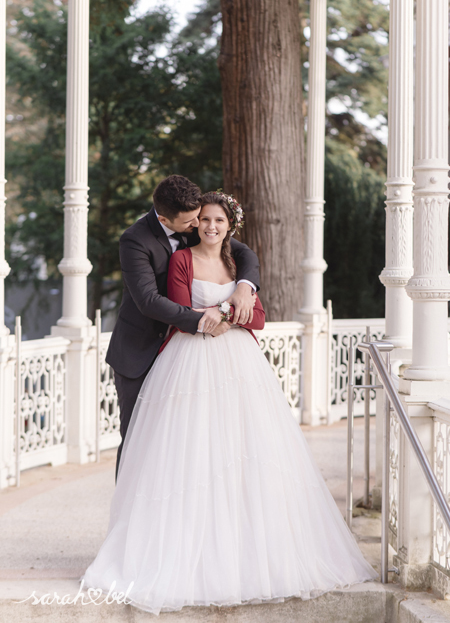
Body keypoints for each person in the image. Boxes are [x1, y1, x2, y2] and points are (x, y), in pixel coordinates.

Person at [82, 191, 376, 613]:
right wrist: (216, 313)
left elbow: (255, 313)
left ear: (227, 224)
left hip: (236, 361)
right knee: (151, 450)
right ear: (178, 219)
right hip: (165, 350)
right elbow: (157, 301)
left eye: (215, 220)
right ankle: (143, 541)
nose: (205, 226)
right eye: (200, 220)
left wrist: (243, 288)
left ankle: (243, 547)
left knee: (244, 449)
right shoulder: (146, 242)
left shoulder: (235, 258)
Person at [106, 175, 260, 479]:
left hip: (191, 357)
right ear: (164, 218)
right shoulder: (135, 240)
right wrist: (205, 321)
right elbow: (148, 300)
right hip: (141, 352)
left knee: (186, 441)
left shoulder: (193, 225)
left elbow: (243, 253)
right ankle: (128, 521)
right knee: (138, 439)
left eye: (199, 218)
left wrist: (245, 286)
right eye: (191, 221)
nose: (198, 226)